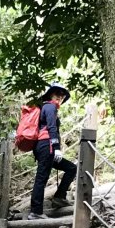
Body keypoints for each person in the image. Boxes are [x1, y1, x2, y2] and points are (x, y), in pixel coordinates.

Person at [28, 82, 77, 220]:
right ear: (51, 94)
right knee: (41, 178)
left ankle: (59, 197)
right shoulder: (49, 107)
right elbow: (51, 128)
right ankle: (36, 211)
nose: (60, 97)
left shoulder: (47, 107)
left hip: (44, 147)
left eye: (62, 96)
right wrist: (56, 148)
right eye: (58, 94)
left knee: (71, 168)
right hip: (46, 146)